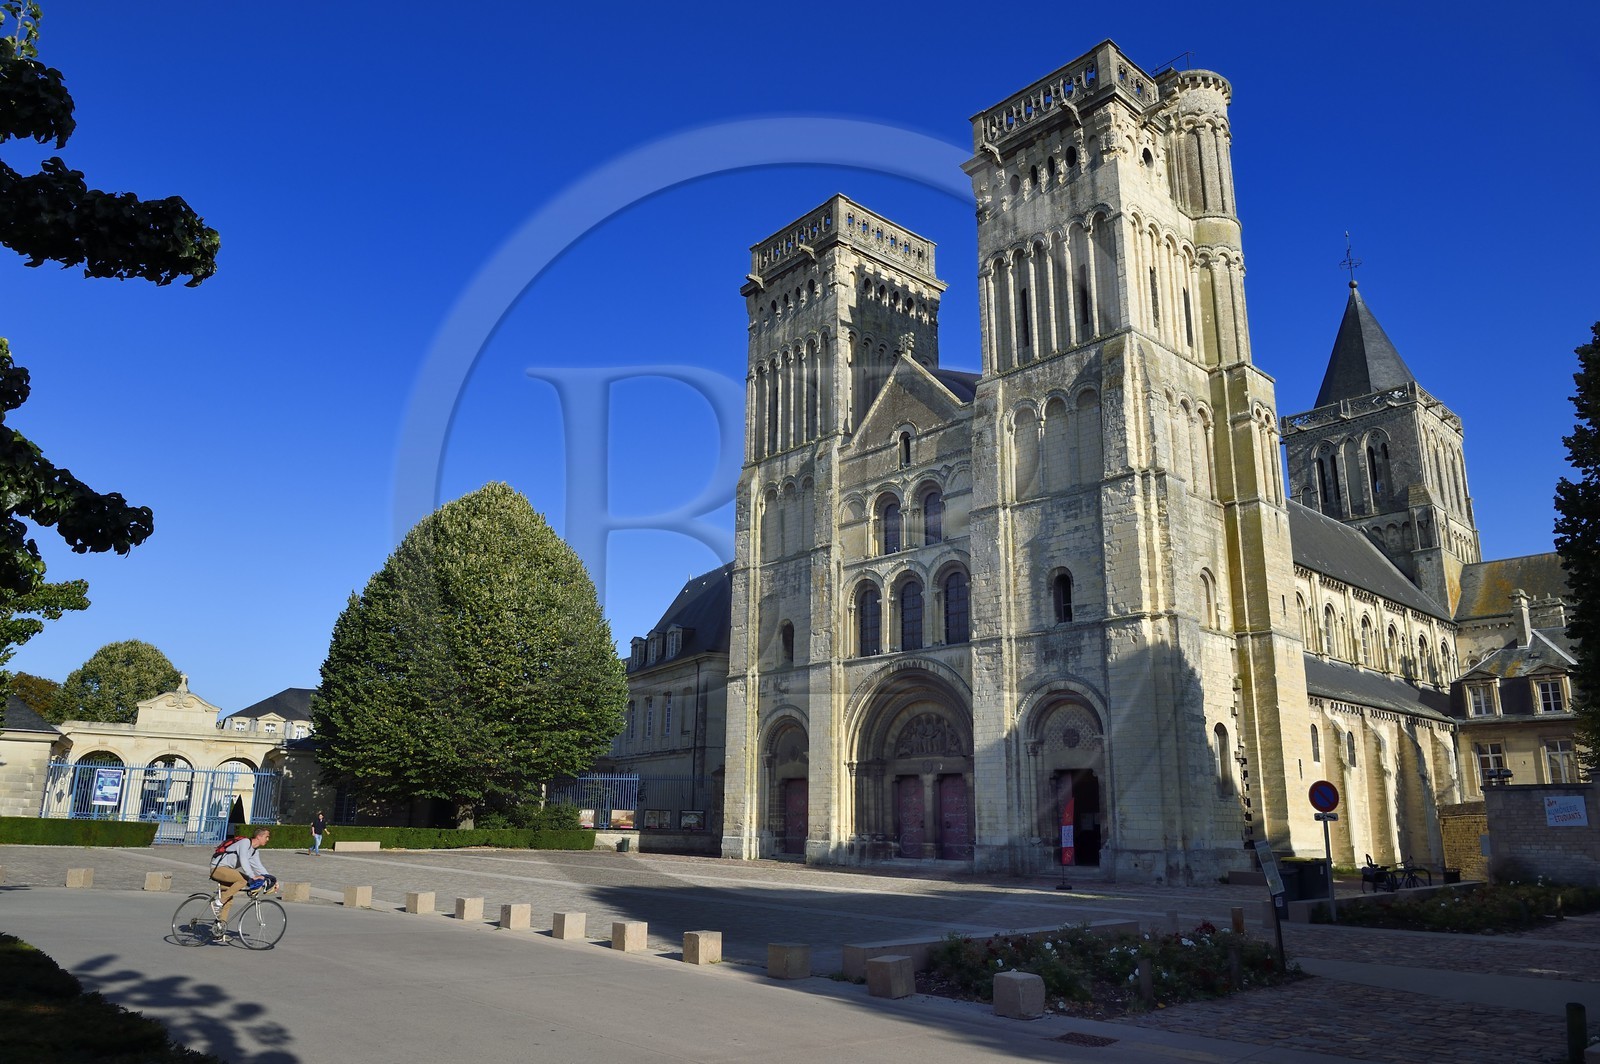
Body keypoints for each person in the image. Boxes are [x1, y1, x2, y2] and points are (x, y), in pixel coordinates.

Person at [210, 828, 278, 932]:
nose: (268, 839)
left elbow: (259, 867)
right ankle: (218, 902)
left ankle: (219, 931)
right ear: (258, 836)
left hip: (228, 871)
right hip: (218, 869)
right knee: (243, 880)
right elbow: (243, 859)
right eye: (266, 837)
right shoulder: (245, 842)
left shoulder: (254, 851)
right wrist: (252, 876)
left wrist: (271, 879)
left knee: (228, 901)